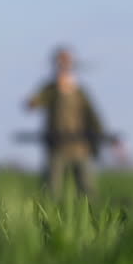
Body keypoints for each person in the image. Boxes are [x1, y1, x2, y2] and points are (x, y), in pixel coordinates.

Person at [23, 46, 121, 198]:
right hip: (57, 146)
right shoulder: (50, 89)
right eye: (60, 62)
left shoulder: (80, 91)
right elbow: (32, 104)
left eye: (67, 62)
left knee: (87, 188)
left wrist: (103, 136)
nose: (63, 66)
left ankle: (89, 211)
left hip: (80, 147)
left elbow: (93, 116)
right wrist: (55, 88)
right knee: (51, 188)